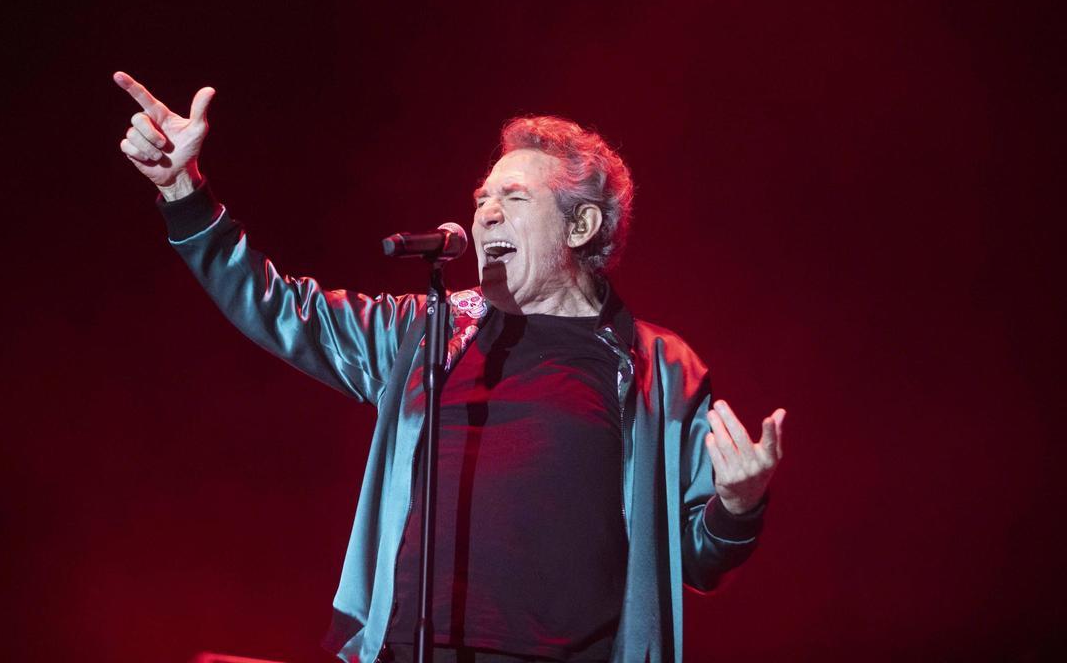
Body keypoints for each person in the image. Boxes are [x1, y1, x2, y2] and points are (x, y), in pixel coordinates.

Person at [113, 71, 786, 663]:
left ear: (580, 227)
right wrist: (184, 193)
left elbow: (693, 560)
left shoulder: (655, 368)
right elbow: (281, 310)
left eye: (513, 198)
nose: (486, 213)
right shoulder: (430, 333)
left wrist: (736, 506)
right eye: (482, 197)